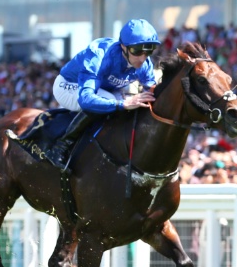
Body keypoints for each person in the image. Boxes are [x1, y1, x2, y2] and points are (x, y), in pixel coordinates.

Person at [44, 19, 160, 167]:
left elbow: (152, 93)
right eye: (137, 51)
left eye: (148, 51)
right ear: (123, 46)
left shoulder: (145, 65)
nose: (143, 58)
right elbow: (86, 99)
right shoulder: (99, 55)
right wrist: (123, 103)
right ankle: (61, 146)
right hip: (68, 85)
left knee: (135, 101)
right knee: (115, 100)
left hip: (105, 90)